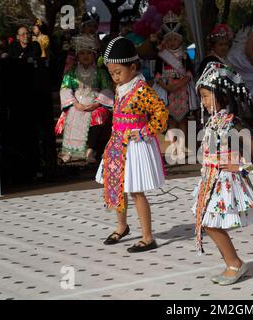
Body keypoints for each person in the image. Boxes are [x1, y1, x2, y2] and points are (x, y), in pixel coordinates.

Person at [95, 36, 169, 253]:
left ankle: (148, 236)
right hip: (117, 143)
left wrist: (146, 131)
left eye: (118, 72)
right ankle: (122, 226)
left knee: (136, 191)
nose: (115, 77)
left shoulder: (141, 90)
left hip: (136, 144)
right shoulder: (121, 87)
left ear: (133, 67)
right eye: (111, 73)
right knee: (118, 186)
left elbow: (161, 112)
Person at [193, 62, 253, 285]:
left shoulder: (234, 124)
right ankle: (231, 263)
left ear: (222, 95)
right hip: (211, 179)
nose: (203, 102)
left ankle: (235, 263)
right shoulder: (213, 121)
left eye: (206, 96)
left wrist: (241, 167)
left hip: (225, 181)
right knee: (206, 222)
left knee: (210, 222)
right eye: (201, 97)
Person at [55, 35, 114, 163]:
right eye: (82, 53)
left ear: (94, 55)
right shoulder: (71, 72)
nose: (85, 56)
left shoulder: (101, 72)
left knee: (97, 116)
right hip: (76, 104)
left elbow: (107, 89)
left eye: (89, 53)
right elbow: (65, 89)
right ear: (77, 56)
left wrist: (96, 104)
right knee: (71, 115)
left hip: (94, 104)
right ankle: (70, 150)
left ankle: (90, 150)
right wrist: (75, 104)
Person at [154, 11, 196, 161]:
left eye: (175, 39)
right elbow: (157, 75)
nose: (172, 42)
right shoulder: (161, 56)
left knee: (183, 120)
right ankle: (173, 147)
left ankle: (182, 146)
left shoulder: (185, 55)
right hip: (168, 92)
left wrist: (180, 83)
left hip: (182, 91)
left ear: (180, 40)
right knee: (171, 121)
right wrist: (167, 87)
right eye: (169, 39)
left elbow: (190, 73)